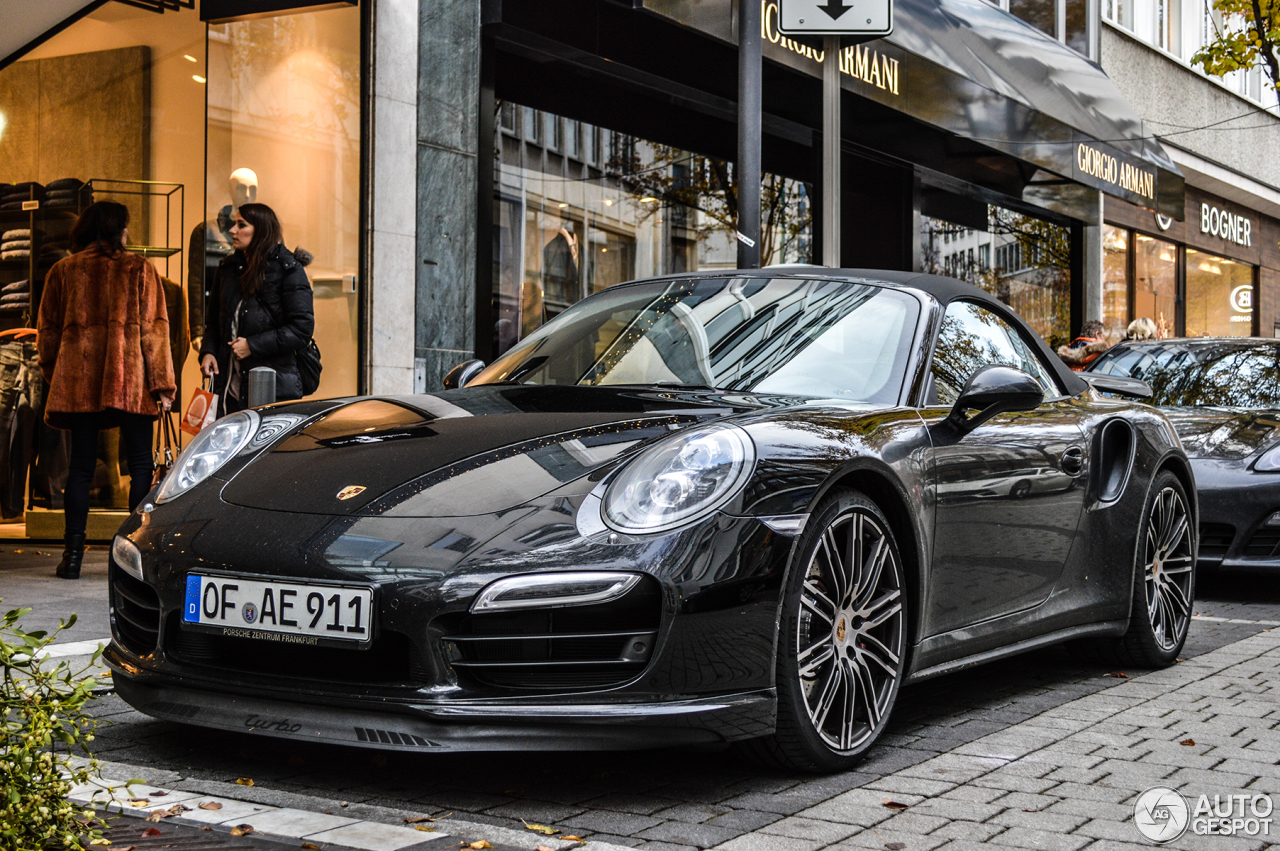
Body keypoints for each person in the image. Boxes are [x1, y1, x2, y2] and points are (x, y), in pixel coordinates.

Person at [38, 201, 176, 579]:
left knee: (80, 469)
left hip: (80, 384)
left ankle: (72, 557)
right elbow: (154, 331)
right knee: (140, 467)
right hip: (130, 383)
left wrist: (60, 376)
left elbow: (46, 336)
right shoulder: (140, 269)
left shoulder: (63, 271)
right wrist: (162, 384)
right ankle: (130, 559)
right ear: (119, 229)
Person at [200, 203, 314, 413]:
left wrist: (253, 345)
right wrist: (208, 351)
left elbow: (301, 329)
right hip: (227, 388)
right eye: (234, 224)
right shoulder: (228, 269)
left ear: (260, 230)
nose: (232, 231)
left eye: (241, 225)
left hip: (272, 388)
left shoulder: (288, 269)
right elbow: (214, 322)